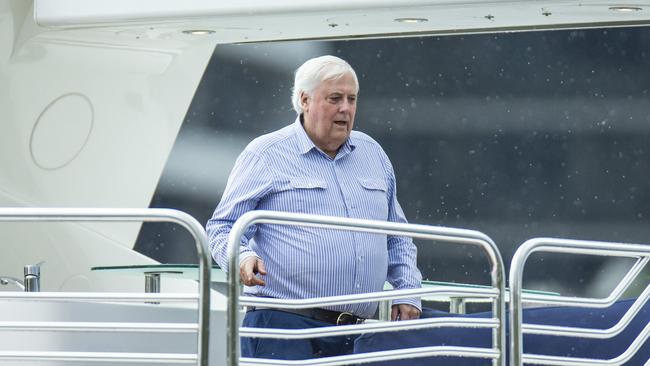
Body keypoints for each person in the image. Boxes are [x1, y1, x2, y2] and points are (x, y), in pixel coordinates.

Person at [206, 55, 422, 360]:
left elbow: (397, 235)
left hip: (358, 334)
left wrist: (407, 290)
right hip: (283, 327)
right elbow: (222, 226)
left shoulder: (373, 154)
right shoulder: (265, 153)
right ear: (305, 100)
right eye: (335, 98)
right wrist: (242, 258)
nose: (345, 108)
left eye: (351, 99)